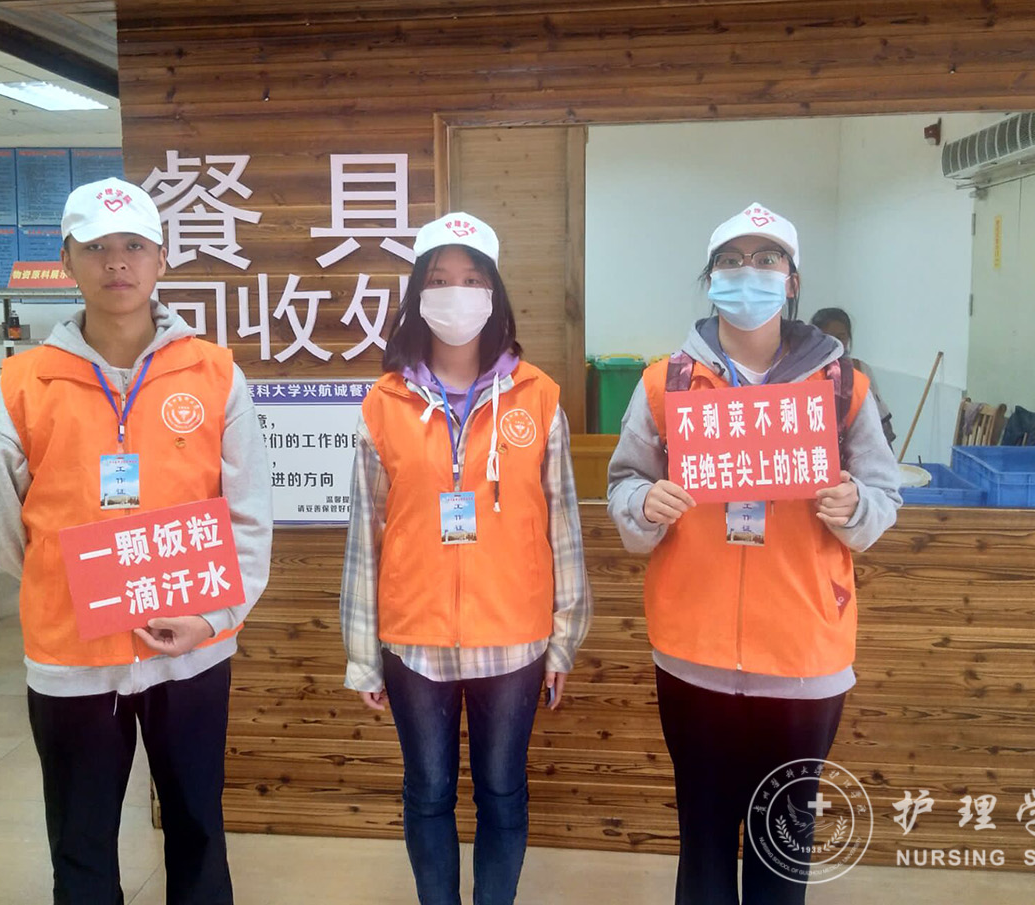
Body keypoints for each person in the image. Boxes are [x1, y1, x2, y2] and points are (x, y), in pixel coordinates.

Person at [0, 177, 273, 905]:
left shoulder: (214, 374)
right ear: (66, 260)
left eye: (133, 245)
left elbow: (249, 513)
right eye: (96, 247)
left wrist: (213, 616)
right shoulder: (25, 382)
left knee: (197, 829)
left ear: (161, 259)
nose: (116, 262)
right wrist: (71, 584)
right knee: (80, 843)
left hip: (191, 649)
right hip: (72, 660)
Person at [607, 203, 900, 905]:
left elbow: (883, 496)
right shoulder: (666, 383)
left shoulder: (842, 386)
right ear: (710, 278)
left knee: (781, 850)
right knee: (704, 844)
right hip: (694, 653)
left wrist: (854, 504)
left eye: (767, 259)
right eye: (732, 260)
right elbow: (624, 484)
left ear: (792, 281)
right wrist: (644, 504)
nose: (749, 272)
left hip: (803, 660)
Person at [340, 212, 593, 905]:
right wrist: (363, 652)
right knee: (427, 792)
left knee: (503, 791)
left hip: (514, 639)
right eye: (440, 279)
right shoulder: (384, 403)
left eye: (473, 279)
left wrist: (563, 638)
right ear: (419, 295)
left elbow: (564, 527)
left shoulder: (538, 397)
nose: (456, 293)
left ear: (494, 293)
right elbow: (365, 535)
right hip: (414, 639)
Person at [810, 307, 897, 448]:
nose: (835, 343)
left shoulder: (860, 369)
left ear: (849, 338)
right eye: (827, 337)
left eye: (841, 337)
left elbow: (878, 416)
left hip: (859, 445)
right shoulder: (809, 372)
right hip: (821, 446)